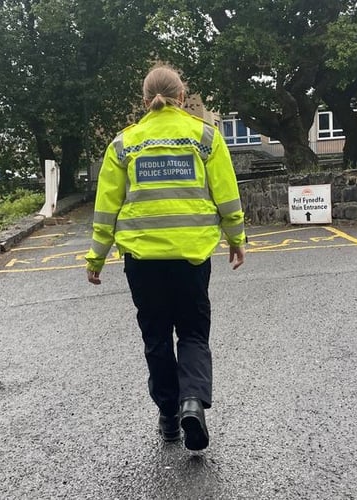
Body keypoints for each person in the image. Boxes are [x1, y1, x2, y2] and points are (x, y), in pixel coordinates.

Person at [85, 65, 246, 451]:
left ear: (145, 101)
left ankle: (168, 417)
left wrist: (96, 256)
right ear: (183, 96)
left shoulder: (124, 144)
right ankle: (192, 401)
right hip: (191, 257)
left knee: (156, 337)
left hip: (142, 260)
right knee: (192, 332)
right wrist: (236, 237)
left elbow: (107, 205)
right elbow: (226, 193)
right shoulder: (205, 137)